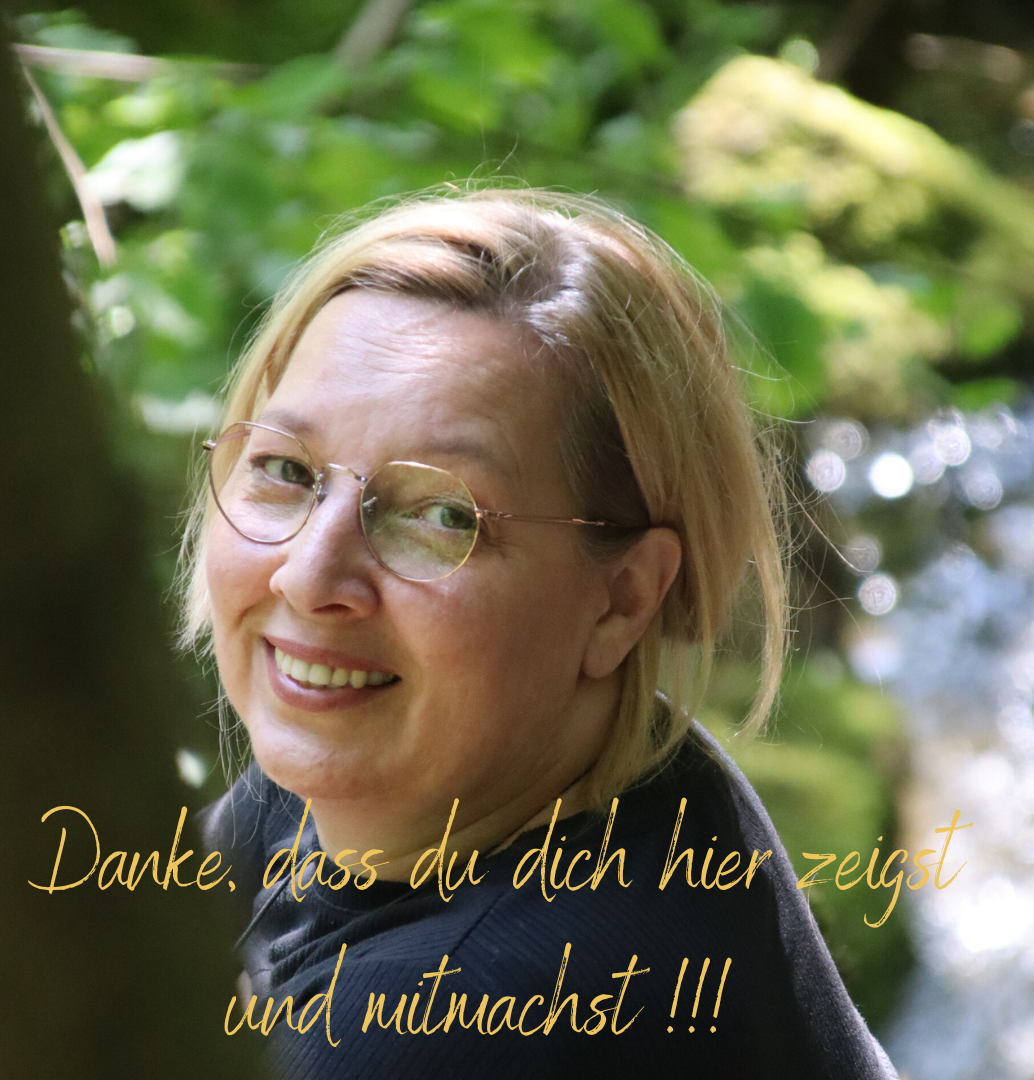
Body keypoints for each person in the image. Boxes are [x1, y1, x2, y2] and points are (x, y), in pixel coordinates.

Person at [187, 187, 898, 1078]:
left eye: (443, 516)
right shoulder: (469, 762)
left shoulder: (446, 1026)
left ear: (622, 601)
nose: (308, 575)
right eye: (287, 471)